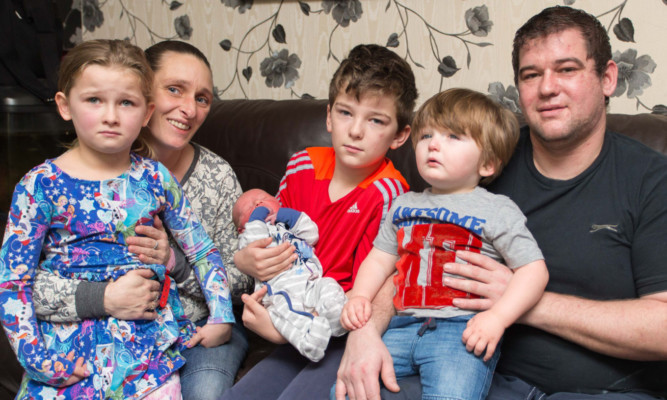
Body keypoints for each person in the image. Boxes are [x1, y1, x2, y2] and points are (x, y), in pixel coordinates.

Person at [335, 6, 667, 400]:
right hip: (478, 371)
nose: (547, 88)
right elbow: (412, 255)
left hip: (602, 390)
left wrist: (522, 302)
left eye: (567, 69)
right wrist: (365, 332)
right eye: (531, 75)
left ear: (607, 77)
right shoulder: (483, 159)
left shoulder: (650, 180)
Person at [0, 39, 234, 400]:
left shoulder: (155, 178)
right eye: (94, 100)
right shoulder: (38, 186)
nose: (111, 115)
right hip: (68, 363)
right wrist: (39, 362)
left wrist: (221, 316)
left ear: (145, 113)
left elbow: (202, 250)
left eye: (126, 102)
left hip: (147, 365)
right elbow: (13, 283)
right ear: (65, 105)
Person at [222, 43, 418, 400]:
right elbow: (277, 242)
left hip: (339, 329)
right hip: (288, 307)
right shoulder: (302, 166)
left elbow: (362, 296)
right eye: (346, 113)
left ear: (400, 135)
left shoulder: (389, 195)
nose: (355, 130)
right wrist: (246, 261)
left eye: (375, 120)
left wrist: (287, 329)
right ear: (328, 116)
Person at [337, 88, 549, 399]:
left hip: (461, 332)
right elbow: (380, 258)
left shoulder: (498, 210)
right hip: (399, 327)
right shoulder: (402, 204)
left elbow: (534, 271)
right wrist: (360, 296)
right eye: (426, 136)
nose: (433, 144)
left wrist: (497, 318)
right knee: (346, 389)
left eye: (453, 137)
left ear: (488, 164)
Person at [232, 188, 347, 362]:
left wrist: (285, 214)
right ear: (241, 229)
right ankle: (309, 341)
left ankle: (335, 316)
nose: (258, 204)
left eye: (263, 198)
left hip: (310, 281)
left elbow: (312, 234)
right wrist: (258, 217)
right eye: (250, 208)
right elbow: (253, 240)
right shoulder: (250, 236)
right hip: (280, 290)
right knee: (288, 312)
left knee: (329, 285)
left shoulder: (288, 227)